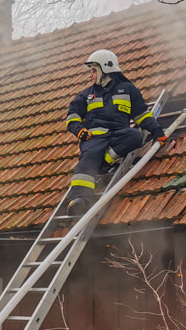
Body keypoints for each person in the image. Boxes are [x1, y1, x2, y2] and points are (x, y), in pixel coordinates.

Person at [64, 49, 166, 216]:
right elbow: (72, 117)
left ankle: (103, 163)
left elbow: (141, 115)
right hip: (93, 138)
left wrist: (157, 131)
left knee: (134, 137)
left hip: (119, 134)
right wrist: (80, 130)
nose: (90, 75)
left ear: (105, 68)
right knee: (88, 159)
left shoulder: (128, 90)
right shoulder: (86, 95)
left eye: (93, 70)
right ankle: (80, 200)